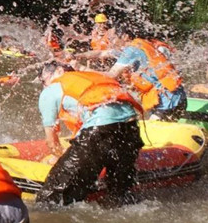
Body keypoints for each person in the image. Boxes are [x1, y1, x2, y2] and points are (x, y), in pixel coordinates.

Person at [36, 62, 144, 206]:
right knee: (118, 194)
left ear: (59, 71)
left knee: (49, 198)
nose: (44, 85)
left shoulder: (51, 90)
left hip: (101, 130)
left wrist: (59, 158)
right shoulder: (93, 78)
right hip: (131, 129)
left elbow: (51, 142)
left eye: (43, 80)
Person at [107, 33, 186, 120]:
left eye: (113, 37)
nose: (111, 41)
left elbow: (112, 75)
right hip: (172, 98)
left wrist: (89, 74)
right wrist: (88, 56)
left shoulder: (132, 50)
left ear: (125, 36)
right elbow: (102, 53)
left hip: (169, 100)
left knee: (151, 129)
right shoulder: (140, 46)